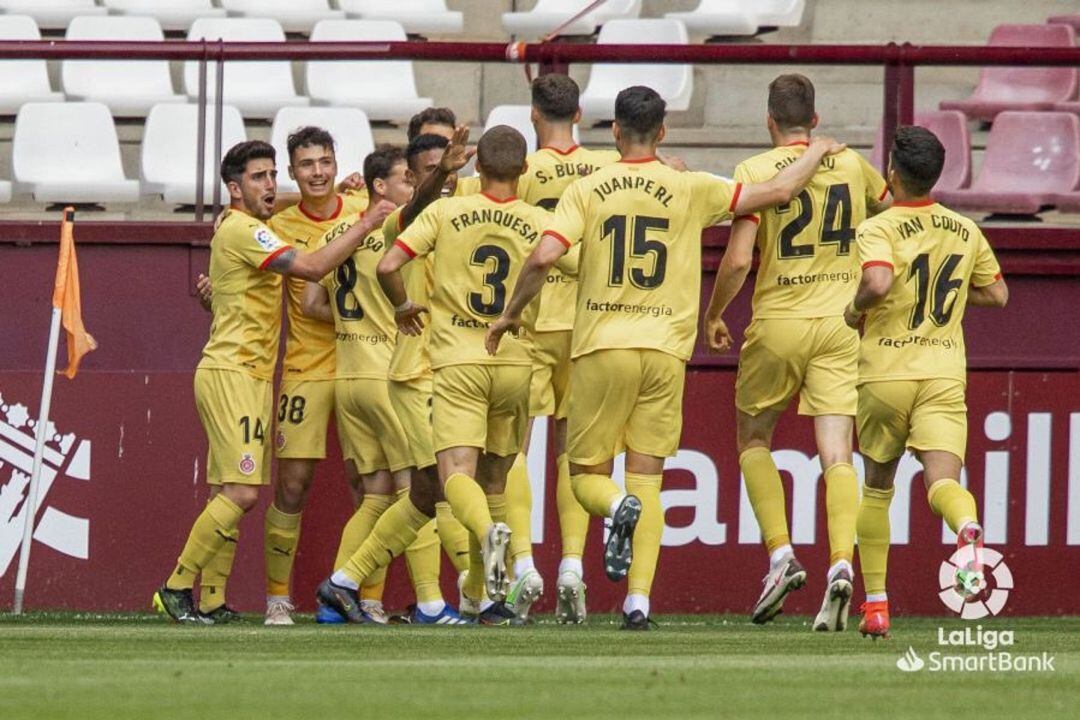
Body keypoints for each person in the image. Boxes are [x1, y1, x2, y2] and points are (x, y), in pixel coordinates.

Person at [486, 85, 845, 630]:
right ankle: (638, 605)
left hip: (602, 346)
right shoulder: (690, 186)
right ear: (663, 130)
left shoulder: (590, 188)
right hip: (665, 351)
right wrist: (815, 150)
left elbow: (544, 256)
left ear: (614, 131)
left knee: (584, 476)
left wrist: (511, 313)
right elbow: (778, 189)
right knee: (648, 477)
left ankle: (614, 509)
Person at [316, 126, 549, 626]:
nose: (437, 182)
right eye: (418, 175)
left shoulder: (455, 213)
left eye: (445, 171)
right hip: (418, 368)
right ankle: (448, 599)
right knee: (444, 483)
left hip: (447, 364)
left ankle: (345, 582)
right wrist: (441, 175)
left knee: (428, 491)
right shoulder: (410, 218)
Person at [152, 140, 393, 624]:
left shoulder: (248, 225)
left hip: (253, 373)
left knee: (227, 489)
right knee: (243, 493)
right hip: (235, 372)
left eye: (270, 175)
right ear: (234, 188)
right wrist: (367, 223)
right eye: (258, 177)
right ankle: (175, 587)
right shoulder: (246, 230)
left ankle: (212, 598)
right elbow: (313, 267)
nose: (269, 184)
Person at [702, 74, 892, 630]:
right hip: (839, 323)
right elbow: (892, 212)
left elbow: (739, 259)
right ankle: (842, 563)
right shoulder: (852, 164)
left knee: (753, 439)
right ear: (815, 119)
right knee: (838, 453)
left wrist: (714, 314)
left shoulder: (755, 170)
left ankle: (781, 555)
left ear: (769, 120)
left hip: (779, 321)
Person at [844, 126, 1008, 639]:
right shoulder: (965, 229)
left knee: (877, 489)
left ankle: (876, 606)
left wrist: (854, 309)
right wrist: (951, 299)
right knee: (943, 483)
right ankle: (966, 528)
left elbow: (877, 282)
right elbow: (997, 294)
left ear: (892, 172)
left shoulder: (878, 227)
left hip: (886, 372)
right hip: (942, 371)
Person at [302, 145, 468, 626]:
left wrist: (355, 324)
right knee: (420, 491)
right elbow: (420, 216)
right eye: (405, 179)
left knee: (376, 495)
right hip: (388, 374)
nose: (412, 187)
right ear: (380, 186)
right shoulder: (399, 228)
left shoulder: (337, 233)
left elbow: (310, 302)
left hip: (348, 376)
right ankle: (431, 604)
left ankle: (334, 600)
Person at [502, 73, 621, 625]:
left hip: (529, 322)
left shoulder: (521, 170)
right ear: (580, 115)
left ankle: (524, 565)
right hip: (585, 324)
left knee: (515, 450)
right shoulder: (605, 167)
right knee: (576, 453)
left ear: (533, 114)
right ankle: (572, 566)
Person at [255, 127, 370, 626]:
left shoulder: (361, 209)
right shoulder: (278, 224)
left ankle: (367, 596)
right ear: (292, 171)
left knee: (369, 484)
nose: (318, 172)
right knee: (293, 485)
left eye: (325, 162)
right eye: (306, 164)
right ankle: (278, 597)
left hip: (361, 363)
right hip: (306, 367)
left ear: (336, 163)